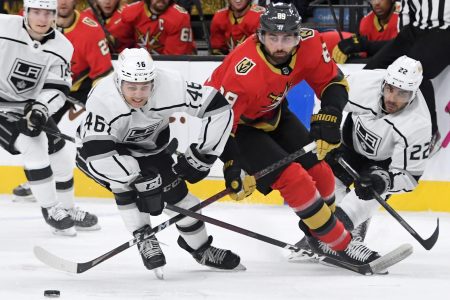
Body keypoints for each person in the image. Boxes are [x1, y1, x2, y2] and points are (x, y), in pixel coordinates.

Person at [205, 2, 384, 267]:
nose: (280, 45)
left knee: (323, 174)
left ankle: (320, 235)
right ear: (260, 36)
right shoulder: (243, 71)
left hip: (273, 112)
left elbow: (333, 82)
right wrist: (233, 165)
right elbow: (217, 125)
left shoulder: (311, 43)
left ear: (298, 36)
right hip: (236, 128)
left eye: (288, 37)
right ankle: (341, 244)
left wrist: (331, 114)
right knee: (295, 179)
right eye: (273, 37)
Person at [75, 48, 244, 278]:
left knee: (184, 201)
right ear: (118, 81)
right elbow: (98, 156)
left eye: (145, 86)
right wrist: (137, 179)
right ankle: (143, 236)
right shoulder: (102, 99)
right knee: (124, 188)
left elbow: (219, 108)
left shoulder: (170, 84)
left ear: (153, 80)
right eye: (131, 87)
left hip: (151, 149)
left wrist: (204, 155)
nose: (138, 94)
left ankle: (202, 250)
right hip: (104, 153)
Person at [294, 56, 432, 255]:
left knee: (350, 211)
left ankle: (345, 240)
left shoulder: (418, 124)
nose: (392, 98)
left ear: (414, 93)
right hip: (347, 149)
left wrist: (383, 181)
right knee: (323, 203)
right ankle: (334, 238)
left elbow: (409, 177)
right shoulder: (363, 83)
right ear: (384, 82)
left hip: (380, 167)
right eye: (390, 88)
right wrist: (328, 134)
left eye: (403, 93)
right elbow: (328, 97)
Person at [0, 0, 99, 236]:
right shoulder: (3, 27)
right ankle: (51, 209)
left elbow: (57, 89)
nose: (42, 19)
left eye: (47, 13)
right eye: (36, 12)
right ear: (26, 12)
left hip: (27, 107)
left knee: (63, 158)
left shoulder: (63, 46)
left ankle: (67, 208)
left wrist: (41, 109)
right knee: (35, 146)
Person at [12, 0, 114, 201]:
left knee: (106, 129)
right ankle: (38, 182)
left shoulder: (89, 30)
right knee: (36, 133)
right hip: (46, 88)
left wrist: (102, 107)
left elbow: (104, 75)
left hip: (79, 88)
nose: (63, 2)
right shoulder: (27, 22)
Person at [363, 0, 450, 150]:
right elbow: (406, 8)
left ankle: (430, 134)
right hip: (414, 29)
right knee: (372, 71)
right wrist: (403, 37)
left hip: (445, 29)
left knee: (416, 71)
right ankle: (370, 126)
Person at [332, 0, 400, 64]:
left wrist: (363, 44)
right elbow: (364, 54)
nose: (376, 3)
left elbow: (400, 47)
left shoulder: (405, 18)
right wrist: (351, 50)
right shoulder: (366, 22)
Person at [121, 0, 195, 55]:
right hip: (136, 64)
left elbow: (173, 60)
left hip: (171, 66)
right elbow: (121, 47)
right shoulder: (130, 12)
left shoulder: (179, 17)